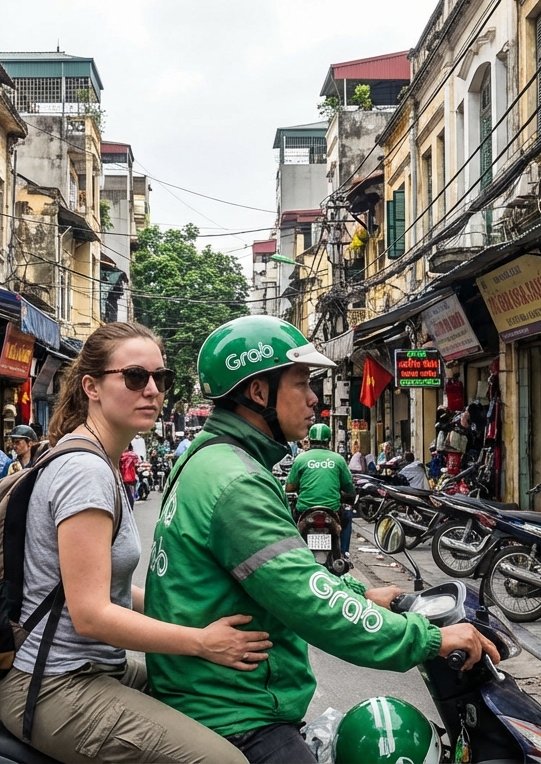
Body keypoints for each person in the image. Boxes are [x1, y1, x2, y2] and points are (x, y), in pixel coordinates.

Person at [144, 316, 499, 763]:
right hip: (235, 713)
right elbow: (309, 602)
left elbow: (290, 572)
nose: (314, 398)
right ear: (259, 392)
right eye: (301, 383)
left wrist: (361, 592)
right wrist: (427, 640)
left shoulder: (207, 459)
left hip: (219, 695)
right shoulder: (237, 482)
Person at [0, 321, 266, 764]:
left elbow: (112, 592)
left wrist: (196, 611)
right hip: (58, 687)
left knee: (210, 698)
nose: (153, 390)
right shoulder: (86, 471)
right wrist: (200, 641)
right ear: (92, 387)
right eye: (136, 377)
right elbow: (92, 614)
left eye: (162, 378)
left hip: (96, 672)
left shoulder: (96, 459)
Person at [285, 424, 355, 554]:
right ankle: (344, 554)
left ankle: (293, 552)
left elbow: (289, 487)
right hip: (333, 511)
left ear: (310, 440)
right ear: (329, 441)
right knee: (348, 515)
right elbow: (348, 487)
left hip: (304, 510)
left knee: (290, 523)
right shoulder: (338, 459)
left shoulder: (300, 459)